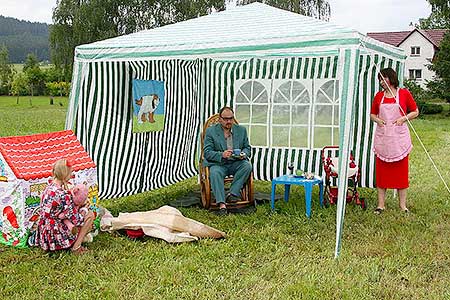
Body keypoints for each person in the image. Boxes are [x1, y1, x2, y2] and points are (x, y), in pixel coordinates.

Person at [370, 67, 419, 214]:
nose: (381, 81)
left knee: (401, 174)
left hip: (399, 139)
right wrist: (377, 120)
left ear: (390, 78)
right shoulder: (379, 96)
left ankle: (403, 206)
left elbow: (415, 111)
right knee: (382, 173)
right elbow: (372, 114)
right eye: (379, 79)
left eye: (383, 78)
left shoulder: (404, 94)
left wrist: (403, 118)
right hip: (384, 137)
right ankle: (381, 205)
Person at [35, 159, 94, 254]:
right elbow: (77, 220)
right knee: (90, 215)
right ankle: (76, 247)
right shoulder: (63, 195)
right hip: (56, 234)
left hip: (45, 232)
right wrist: (84, 209)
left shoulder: (48, 187)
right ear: (65, 174)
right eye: (71, 173)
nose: (72, 175)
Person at [203, 106, 252, 215]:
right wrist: (222, 154)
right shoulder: (211, 131)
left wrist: (244, 154)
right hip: (219, 164)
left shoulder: (241, 130)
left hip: (236, 162)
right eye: (225, 119)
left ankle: (233, 194)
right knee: (215, 172)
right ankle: (222, 205)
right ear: (220, 119)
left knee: (247, 166)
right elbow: (207, 152)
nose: (228, 121)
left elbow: (247, 148)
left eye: (230, 118)